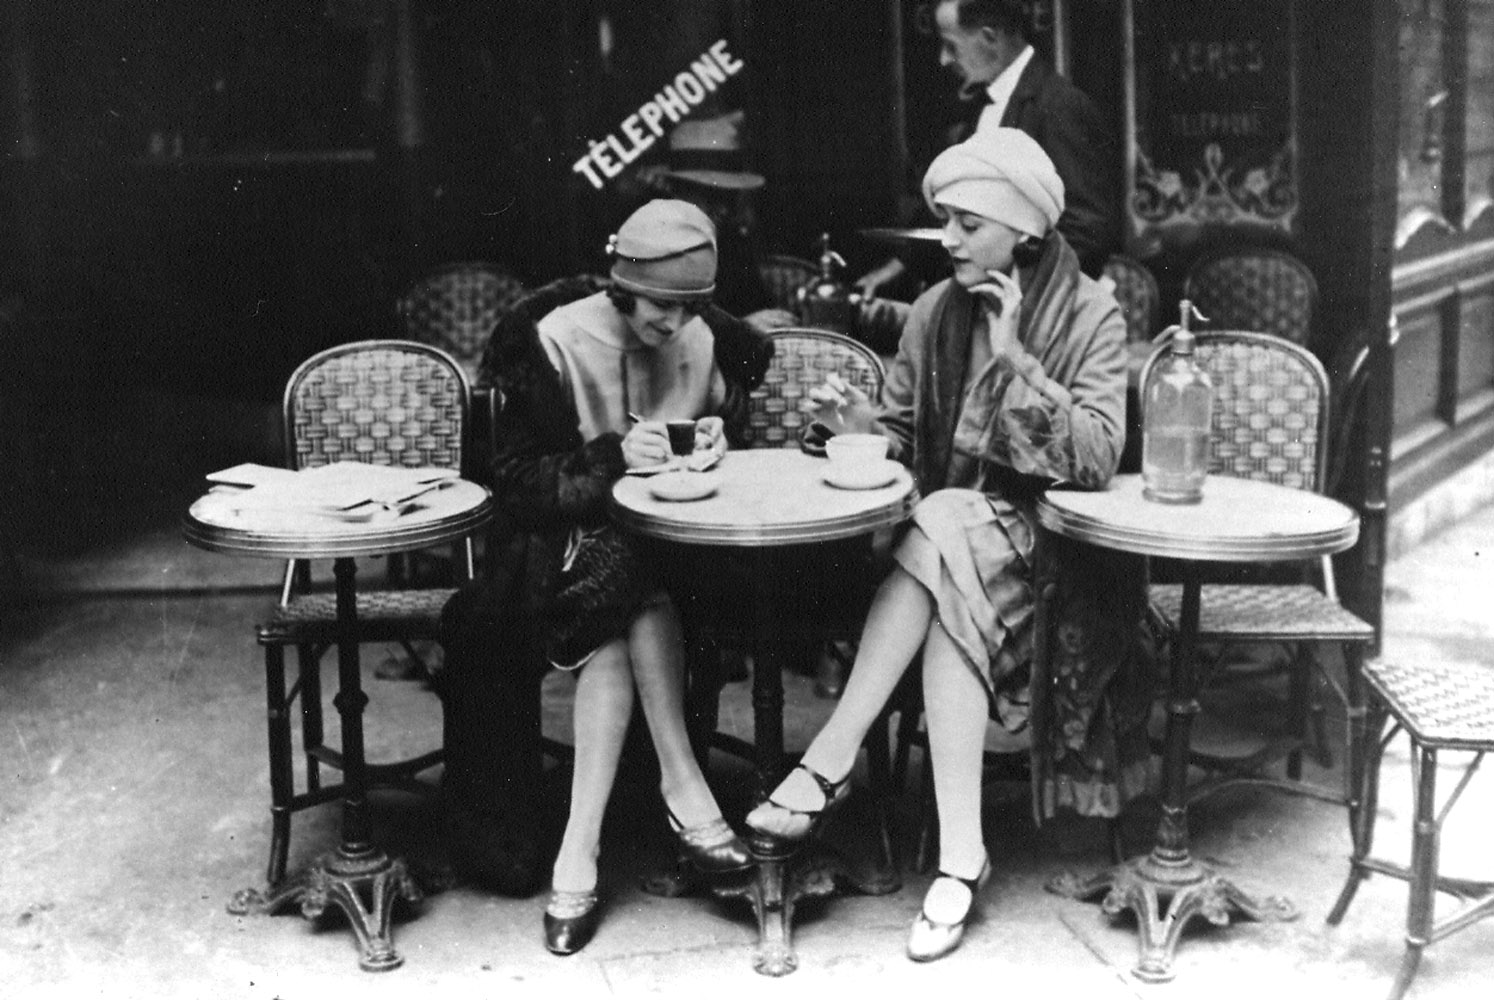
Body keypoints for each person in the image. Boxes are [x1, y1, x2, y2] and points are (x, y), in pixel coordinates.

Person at [745, 129, 1152, 962]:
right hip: (953, 555)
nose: (949, 241)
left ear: (1023, 230)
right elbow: (899, 434)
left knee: (937, 528)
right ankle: (961, 858)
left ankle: (831, 754)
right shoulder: (935, 311)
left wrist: (1014, 364)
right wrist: (863, 431)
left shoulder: (1092, 315)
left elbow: (1099, 456)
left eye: (967, 224)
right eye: (947, 223)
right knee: (944, 560)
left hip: (1057, 551)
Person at [439, 199, 773, 956]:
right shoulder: (550, 339)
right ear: (622, 286)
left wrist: (718, 433)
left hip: (672, 550)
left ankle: (578, 858)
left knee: (629, 600)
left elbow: (725, 414)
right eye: (660, 305)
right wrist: (614, 456)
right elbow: (521, 487)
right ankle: (684, 791)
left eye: (692, 308)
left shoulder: (699, 334)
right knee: (628, 592)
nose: (673, 324)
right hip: (550, 552)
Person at [856, 0, 1120, 296]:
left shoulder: (1060, 106)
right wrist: (897, 268)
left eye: (951, 46)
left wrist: (1015, 288)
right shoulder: (980, 107)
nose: (944, 59)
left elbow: (1089, 230)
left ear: (990, 37)